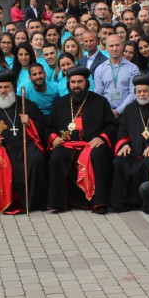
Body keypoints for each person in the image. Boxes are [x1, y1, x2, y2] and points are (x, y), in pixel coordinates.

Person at [45, 66, 116, 213]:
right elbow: (50, 127)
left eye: (80, 82)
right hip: (67, 145)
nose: (76, 85)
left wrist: (101, 138)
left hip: (91, 145)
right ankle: (59, 203)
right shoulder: (61, 103)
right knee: (57, 156)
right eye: (73, 82)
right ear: (68, 84)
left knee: (98, 155)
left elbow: (111, 125)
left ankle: (99, 203)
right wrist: (55, 138)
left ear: (87, 83)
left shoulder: (100, 102)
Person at [0, 71, 47, 213]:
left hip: (24, 145)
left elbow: (43, 125)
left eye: (6, 87)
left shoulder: (26, 104)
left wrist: (30, 123)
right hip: (1, 147)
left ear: (13, 87)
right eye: (0, 87)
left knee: (36, 158)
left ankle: (32, 202)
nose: (3, 90)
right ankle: (3, 201)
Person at [109, 75, 149, 212]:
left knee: (147, 163)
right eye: (139, 91)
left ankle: (147, 203)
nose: (142, 94)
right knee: (119, 162)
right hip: (133, 150)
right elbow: (123, 130)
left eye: (145, 91)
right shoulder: (129, 109)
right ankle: (123, 203)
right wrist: (124, 144)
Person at [92, 34, 140, 116]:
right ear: (106, 48)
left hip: (128, 113)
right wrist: (108, 111)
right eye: (111, 46)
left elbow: (133, 93)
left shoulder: (133, 68)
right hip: (106, 114)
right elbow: (98, 93)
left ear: (122, 47)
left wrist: (118, 111)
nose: (114, 48)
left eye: (117, 45)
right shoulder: (100, 69)